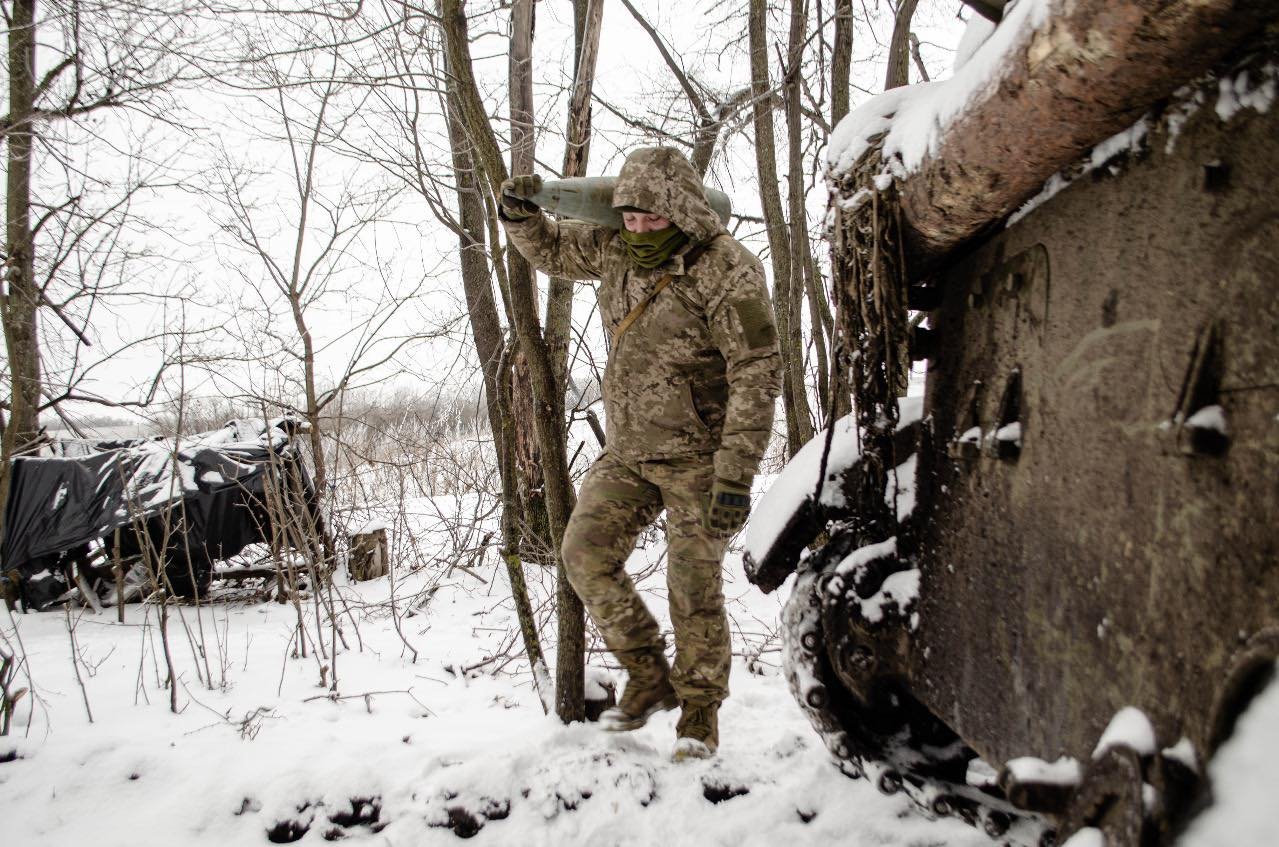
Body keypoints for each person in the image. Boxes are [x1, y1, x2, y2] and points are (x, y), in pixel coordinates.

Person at [499, 147, 782, 761]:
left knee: (693, 587)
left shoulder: (727, 268)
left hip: (699, 461)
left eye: (652, 218)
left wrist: (736, 472)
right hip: (628, 453)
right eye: (629, 216)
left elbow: (757, 369)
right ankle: (648, 674)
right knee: (583, 555)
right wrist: (520, 215)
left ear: (681, 209)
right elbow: (551, 249)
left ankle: (700, 715)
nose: (639, 228)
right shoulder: (613, 250)